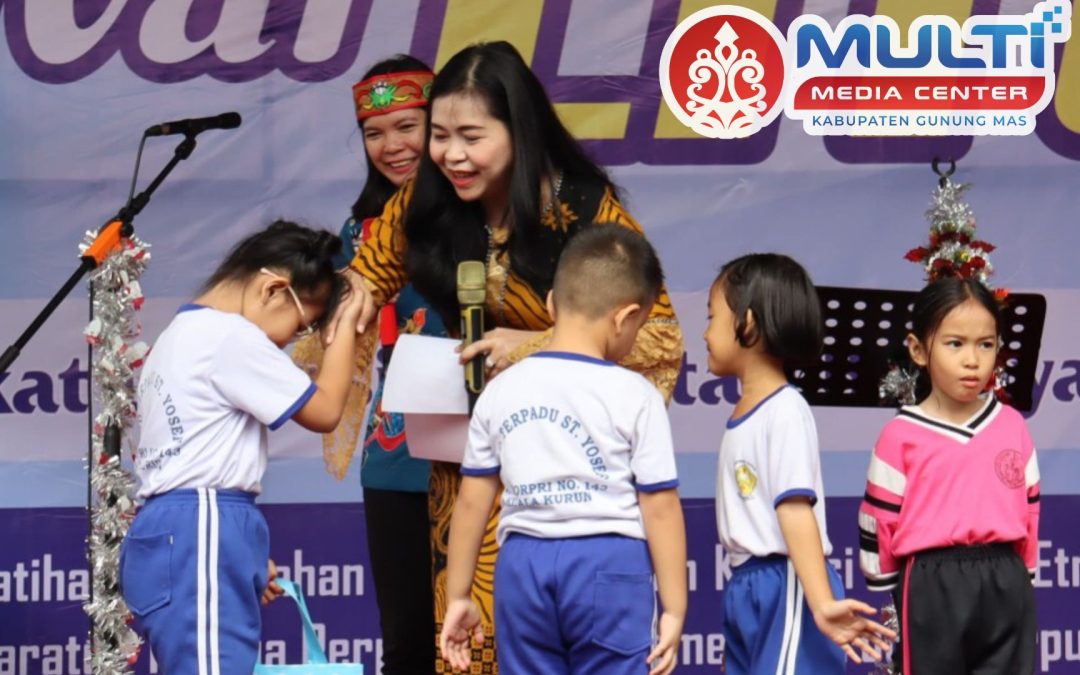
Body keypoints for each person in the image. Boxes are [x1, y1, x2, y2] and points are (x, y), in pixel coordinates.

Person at [328, 40, 685, 668]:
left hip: (558, 468)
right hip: (464, 461)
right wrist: (347, 296)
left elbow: (660, 337)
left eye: (471, 136)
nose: (450, 155)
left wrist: (542, 344)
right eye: (440, 136)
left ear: (518, 130)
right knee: (463, 641)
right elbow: (369, 270)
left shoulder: (581, 208)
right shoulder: (426, 198)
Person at [440, 224, 686, 675]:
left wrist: (458, 595)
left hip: (521, 567)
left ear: (551, 303)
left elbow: (471, 501)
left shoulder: (500, 390)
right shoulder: (636, 394)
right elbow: (661, 507)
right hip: (608, 563)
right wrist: (675, 606)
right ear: (625, 317)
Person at [120, 221, 359, 675]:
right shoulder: (230, 336)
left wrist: (236, 554)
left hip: (181, 528)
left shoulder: (179, 333)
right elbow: (326, 411)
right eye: (303, 324)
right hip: (202, 526)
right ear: (274, 289)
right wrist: (345, 321)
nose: (290, 341)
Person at [704, 253, 894, 674]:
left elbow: (794, 508)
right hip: (749, 584)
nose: (705, 333)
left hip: (786, 581)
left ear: (748, 323)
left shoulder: (785, 409)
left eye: (712, 317)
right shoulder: (744, 413)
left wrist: (821, 601)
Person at [859, 277, 1039, 674]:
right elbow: (879, 518)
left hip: (1006, 580)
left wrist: (1023, 572)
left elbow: (1030, 506)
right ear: (919, 350)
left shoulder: (1012, 425)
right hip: (930, 585)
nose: (972, 360)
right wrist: (882, 578)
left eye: (986, 344)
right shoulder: (900, 435)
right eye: (955, 343)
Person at [336, 55, 442, 674]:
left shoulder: (481, 217)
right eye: (375, 133)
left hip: (483, 449)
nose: (392, 146)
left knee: (482, 636)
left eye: (408, 126)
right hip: (395, 454)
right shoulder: (361, 232)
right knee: (406, 642)